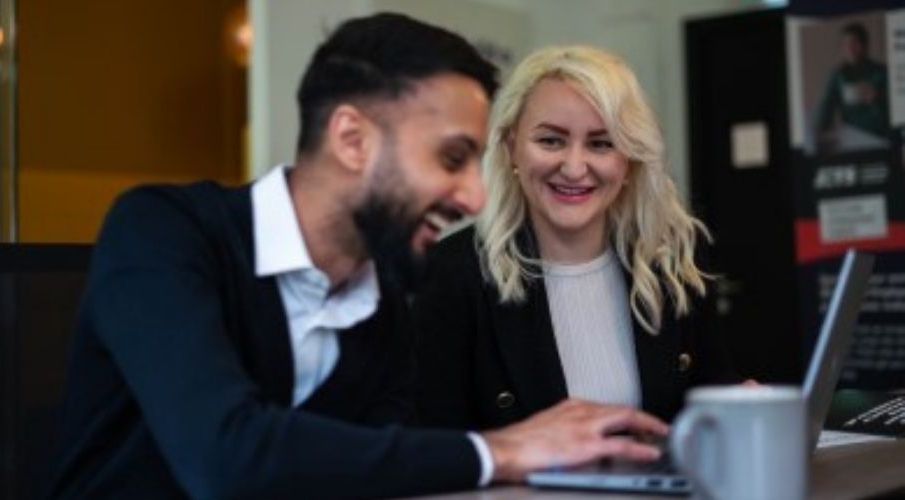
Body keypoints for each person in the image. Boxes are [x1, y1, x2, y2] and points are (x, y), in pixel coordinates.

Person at [47, 16, 669, 500]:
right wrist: (498, 450)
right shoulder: (162, 232)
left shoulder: (386, 300)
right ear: (351, 140)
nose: (474, 197)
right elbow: (226, 457)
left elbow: (384, 470)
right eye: (451, 159)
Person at [414, 45, 741, 432]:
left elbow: (708, 403)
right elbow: (434, 447)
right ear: (510, 148)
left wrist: (736, 409)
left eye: (601, 144)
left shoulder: (671, 258)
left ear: (629, 161)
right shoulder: (451, 275)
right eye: (551, 141)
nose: (574, 167)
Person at [816, 22, 889, 152]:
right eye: (845, 44)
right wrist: (821, 130)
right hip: (851, 137)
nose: (850, 48)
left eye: (854, 43)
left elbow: (893, 113)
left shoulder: (881, 73)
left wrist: (876, 98)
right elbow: (827, 105)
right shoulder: (838, 76)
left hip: (879, 136)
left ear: (865, 45)